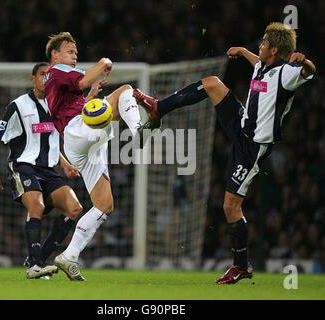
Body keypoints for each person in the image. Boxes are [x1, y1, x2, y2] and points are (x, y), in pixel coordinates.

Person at [133, 22, 316, 284]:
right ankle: (158, 107)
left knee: (230, 206)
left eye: (263, 43)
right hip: (241, 124)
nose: (260, 46)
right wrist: (243, 51)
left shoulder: (287, 74)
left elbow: (310, 73)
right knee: (212, 83)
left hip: (253, 146)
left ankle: (241, 265)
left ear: (274, 50)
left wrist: (305, 61)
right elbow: (257, 60)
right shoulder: (261, 65)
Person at [44, 32, 143, 280]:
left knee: (104, 205)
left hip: (80, 144)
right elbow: (84, 80)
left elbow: (76, 99)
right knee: (125, 91)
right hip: (77, 132)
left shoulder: (61, 81)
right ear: (55, 55)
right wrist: (104, 62)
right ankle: (139, 130)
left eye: (76, 52)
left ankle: (69, 256)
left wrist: (91, 94)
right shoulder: (57, 71)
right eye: (69, 51)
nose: (74, 55)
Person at [0, 62, 83, 279]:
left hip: (48, 170)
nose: (46, 79)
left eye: (49, 75)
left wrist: (65, 164)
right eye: (42, 74)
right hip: (23, 167)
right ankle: (34, 268)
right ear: (33, 78)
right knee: (36, 206)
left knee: (74, 208)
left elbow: (49, 141)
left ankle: (37, 260)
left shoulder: (56, 105)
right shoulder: (18, 105)